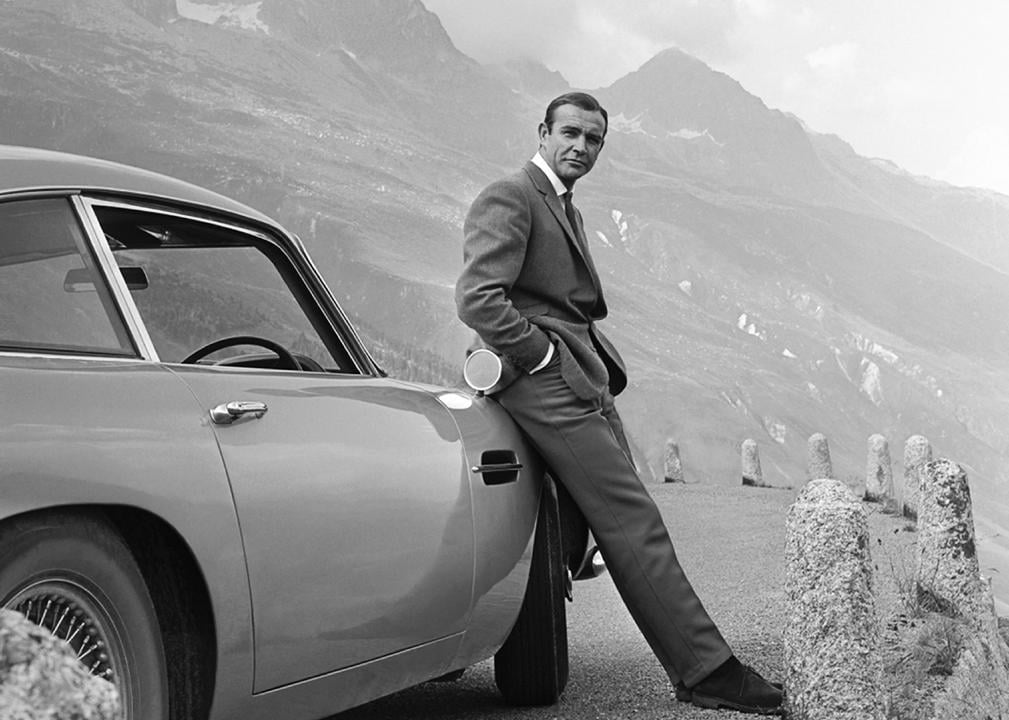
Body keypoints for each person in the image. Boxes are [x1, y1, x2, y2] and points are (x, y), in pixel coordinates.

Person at [455, 91, 783, 715]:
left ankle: (531, 646)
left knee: (587, 521)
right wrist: (542, 356)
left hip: (579, 375)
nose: (581, 146)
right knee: (633, 522)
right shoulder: (512, 194)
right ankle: (707, 670)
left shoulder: (559, 201)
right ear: (543, 132)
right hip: (545, 380)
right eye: (571, 134)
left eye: (594, 140)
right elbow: (478, 299)